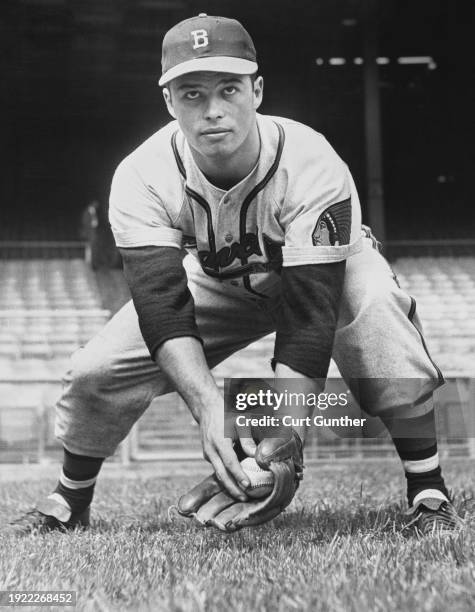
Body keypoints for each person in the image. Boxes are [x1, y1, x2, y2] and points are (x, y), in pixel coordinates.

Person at [6, 14, 462, 535]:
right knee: (95, 368)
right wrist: (208, 412)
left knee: (375, 300)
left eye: (229, 89)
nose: (214, 110)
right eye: (193, 94)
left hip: (324, 273)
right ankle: (71, 498)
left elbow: (310, 312)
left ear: (257, 90)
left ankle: (427, 488)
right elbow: (162, 306)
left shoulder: (312, 160)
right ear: (169, 102)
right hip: (218, 282)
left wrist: (284, 431)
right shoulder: (141, 176)